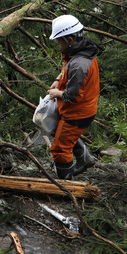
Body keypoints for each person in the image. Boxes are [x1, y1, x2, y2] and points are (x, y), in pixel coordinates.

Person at [46, 14, 99, 180]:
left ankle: (66, 186)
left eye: (59, 40)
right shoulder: (79, 49)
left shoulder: (80, 64)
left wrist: (57, 93)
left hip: (77, 113)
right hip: (78, 110)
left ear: (69, 39)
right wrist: (57, 80)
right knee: (58, 132)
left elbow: (71, 96)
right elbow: (67, 67)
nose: (57, 44)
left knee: (60, 148)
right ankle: (85, 159)